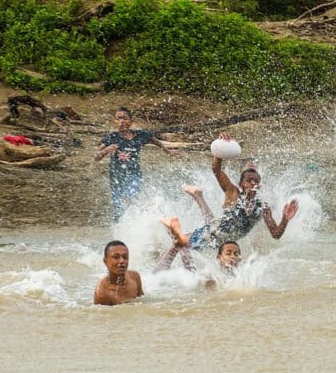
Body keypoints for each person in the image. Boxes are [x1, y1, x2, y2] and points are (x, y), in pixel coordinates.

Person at [161, 133, 299, 251]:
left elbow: (276, 234)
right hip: (210, 235)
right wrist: (220, 148)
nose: (253, 183)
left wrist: (285, 219)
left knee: (195, 234)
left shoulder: (263, 207)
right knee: (180, 245)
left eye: (256, 181)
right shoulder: (233, 192)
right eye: (249, 180)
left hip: (224, 241)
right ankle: (165, 227)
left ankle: (197, 197)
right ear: (240, 184)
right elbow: (216, 169)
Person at [94, 106, 180, 222]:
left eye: (124, 118)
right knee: (118, 207)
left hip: (134, 175)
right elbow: (96, 157)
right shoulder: (112, 137)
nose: (121, 121)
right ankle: (120, 231)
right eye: (118, 118)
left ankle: (140, 218)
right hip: (116, 178)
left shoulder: (140, 135)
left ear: (131, 121)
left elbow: (154, 140)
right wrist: (106, 150)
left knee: (129, 198)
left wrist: (168, 151)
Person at [94, 240, 144, 305]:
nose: (122, 261)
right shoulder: (102, 293)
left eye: (125, 257)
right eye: (116, 257)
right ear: (105, 261)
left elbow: (142, 302)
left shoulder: (135, 277)